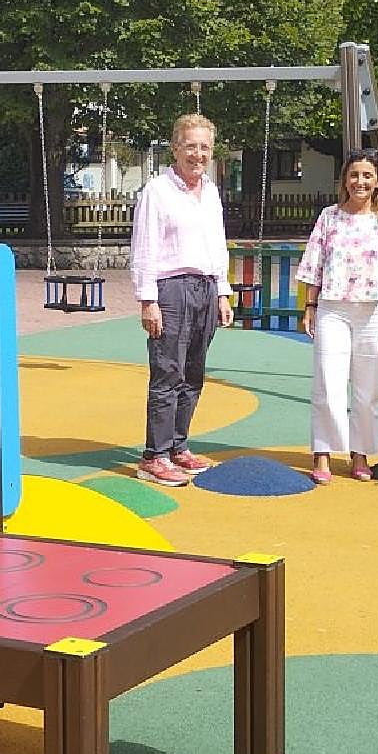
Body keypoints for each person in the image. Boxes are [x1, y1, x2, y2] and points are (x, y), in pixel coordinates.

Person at [296, 149, 378, 484]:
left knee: (367, 389)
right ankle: (322, 451)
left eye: (367, 175)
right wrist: (310, 306)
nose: (360, 182)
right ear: (344, 180)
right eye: (354, 175)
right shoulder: (330, 217)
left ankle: (360, 452)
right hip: (333, 308)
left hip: (376, 309)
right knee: (328, 383)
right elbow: (314, 264)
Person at [130, 113, 235, 486]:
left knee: (193, 371)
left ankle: (178, 445)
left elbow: (216, 244)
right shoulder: (157, 191)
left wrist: (222, 290)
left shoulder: (210, 192)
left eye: (204, 147)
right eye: (190, 146)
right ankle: (154, 455)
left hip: (206, 286)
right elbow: (145, 247)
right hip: (171, 288)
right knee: (168, 371)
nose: (198, 154)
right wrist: (148, 299)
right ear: (175, 147)